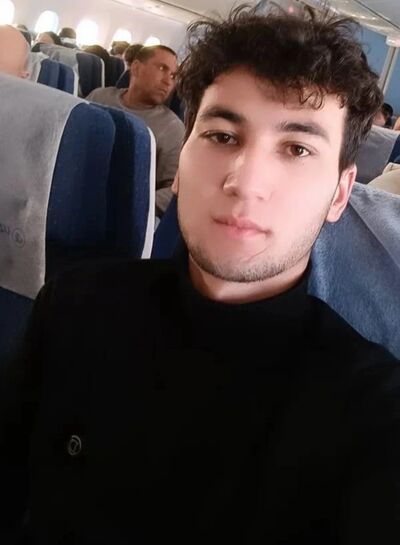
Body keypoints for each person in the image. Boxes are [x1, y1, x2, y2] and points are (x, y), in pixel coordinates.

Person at [2, 6, 400, 544]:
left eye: (297, 148)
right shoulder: (74, 305)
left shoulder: (373, 415)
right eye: (222, 136)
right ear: (183, 159)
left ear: (340, 194)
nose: (246, 181)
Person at [87, 44, 184, 216]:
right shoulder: (99, 97)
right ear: (136, 68)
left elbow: (173, 189)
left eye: (173, 76)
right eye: (162, 69)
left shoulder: (172, 128)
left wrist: (130, 205)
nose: (168, 81)